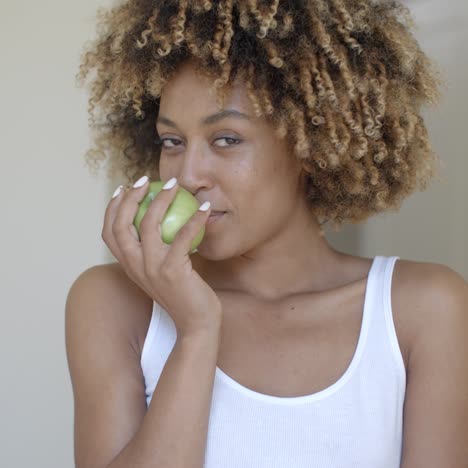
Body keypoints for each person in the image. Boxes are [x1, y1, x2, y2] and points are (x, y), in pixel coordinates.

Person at [65, 1, 468, 467]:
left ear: (308, 146)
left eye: (226, 140)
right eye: (172, 142)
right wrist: (196, 331)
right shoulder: (114, 303)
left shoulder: (423, 311)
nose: (189, 174)